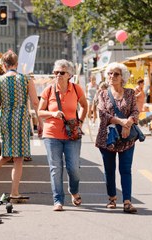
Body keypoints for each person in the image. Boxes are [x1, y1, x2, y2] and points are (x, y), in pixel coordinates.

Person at [0, 50, 40, 199]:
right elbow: (35, 102)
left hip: (5, 119)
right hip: (21, 120)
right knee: (18, 158)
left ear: (3, 65)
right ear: (16, 64)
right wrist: (40, 122)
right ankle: (14, 192)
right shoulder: (26, 79)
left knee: (5, 153)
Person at [38, 59, 88, 211]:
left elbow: (85, 106)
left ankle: (73, 191)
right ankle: (58, 200)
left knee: (73, 168)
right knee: (56, 168)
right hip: (52, 134)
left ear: (69, 75)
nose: (58, 75)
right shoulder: (48, 90)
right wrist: (52, 113)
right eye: (56, 72)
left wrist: (80, 122)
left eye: (62, 72)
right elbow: (40, 112)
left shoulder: (76, 89)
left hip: (71, 134)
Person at [95, 62, 139, 213]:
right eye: (110, 74)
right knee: (109, 169)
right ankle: (112, 198)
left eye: (116, 74)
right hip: (108, 137)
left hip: (127, 138)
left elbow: (135, 111)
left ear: (123, 77)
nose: (112, 76)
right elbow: (103, 114)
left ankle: (127, 201)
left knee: (125, 169)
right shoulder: (102, 94)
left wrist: (128, 124)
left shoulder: (130, 93)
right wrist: (123, 123)